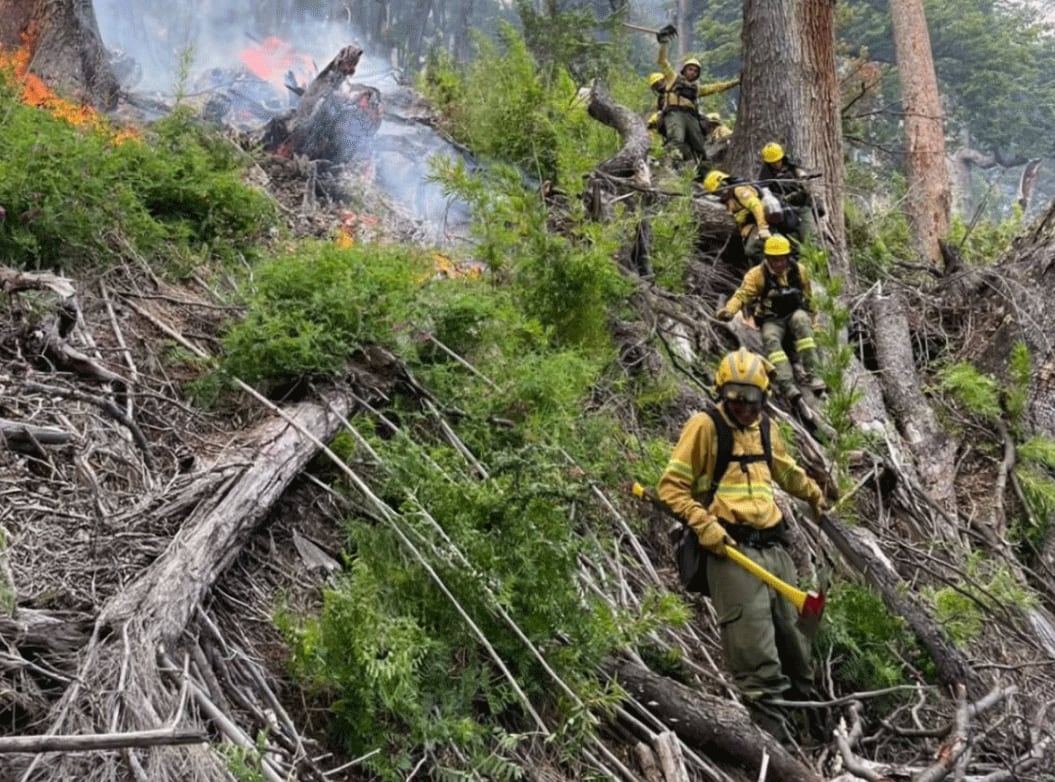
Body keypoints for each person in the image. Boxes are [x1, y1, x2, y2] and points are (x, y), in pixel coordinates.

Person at [657, 348, 826, 745]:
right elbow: (670, 488)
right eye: (735, 397)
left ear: (764, 397)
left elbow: (785, 469)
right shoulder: (705, 427)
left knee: (798, 650)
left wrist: (813, 492)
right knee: (758, 662)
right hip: (731, 553)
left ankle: (813, 735)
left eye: (752, 399)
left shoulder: (766, 429)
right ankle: (780, 754)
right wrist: (703, 524)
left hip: (775, 551)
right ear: (722, 392)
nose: (745, 407)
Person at [716, 234, 827, 402]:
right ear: (767, 258)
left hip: (795, 313)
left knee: (802, 323)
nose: (778, 263)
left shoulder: (799, 271)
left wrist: (815, 323)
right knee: (770, 339)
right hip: (772, 319)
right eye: (774, 259)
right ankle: (787, 384)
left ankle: (814, 375)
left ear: (787, 257)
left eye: (781, 259)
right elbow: (743, 295)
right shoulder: (757, 275)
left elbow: (809, 299)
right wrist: (730, 311)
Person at [655, 24, 739, 177]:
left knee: (699, 146)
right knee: (676, 140)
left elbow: (717, 87)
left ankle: (705, 175)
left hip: (691, 116)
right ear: (684, 70)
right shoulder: (672, 78)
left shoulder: (697, 89)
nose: (692, 72)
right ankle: (672, 169)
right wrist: (663, 43)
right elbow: (662, 61)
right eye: (690, 69)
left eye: (695, 70)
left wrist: (736, 82)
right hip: (674, 113)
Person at [701, 169, 771, 262]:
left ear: (724, 184)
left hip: (761, 222)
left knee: (751, 251)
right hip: (748, 227)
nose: (720, 195)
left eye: (719, 191)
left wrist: (763, 228)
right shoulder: (729, 199)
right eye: (716, 193)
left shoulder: (739, 190)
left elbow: (756, 206)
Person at [758, 142, 820, 244]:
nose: (775, 164)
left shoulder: (793, 167)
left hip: (802, 206)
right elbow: (763, 189)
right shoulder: (765, 174)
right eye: (772, 162)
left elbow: (803, 177)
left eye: (777, 161)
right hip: (784, 210)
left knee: (810, 238)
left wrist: (804, 182)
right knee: (790, 240)